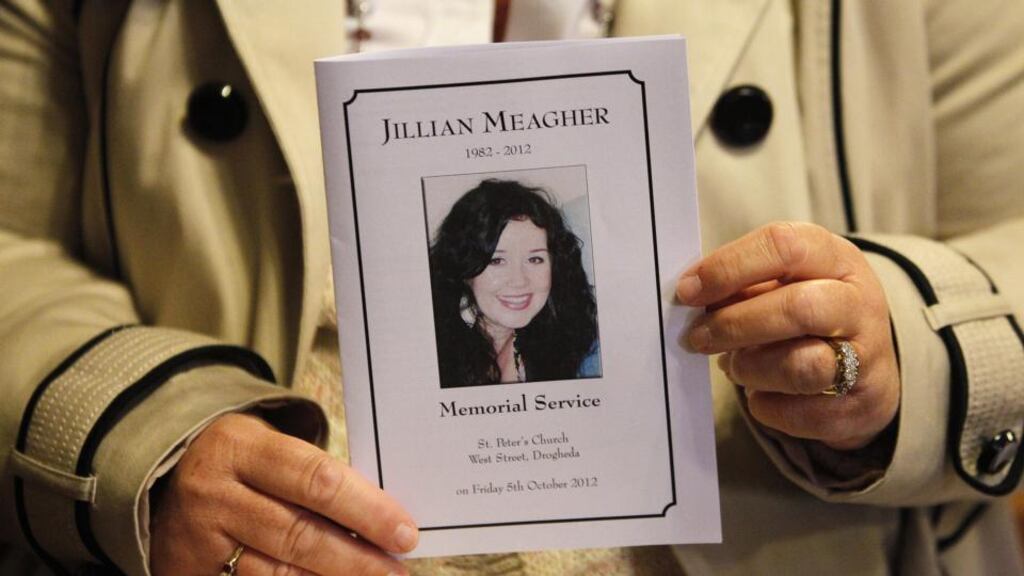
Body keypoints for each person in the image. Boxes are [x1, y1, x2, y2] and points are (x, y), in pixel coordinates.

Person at [0, 1, 1022, 575]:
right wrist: (148, 438)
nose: (520, 280)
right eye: (497, 259)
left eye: (538, 257)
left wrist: (900, 345)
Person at [428, 179, 600, 387]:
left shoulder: (580, 346)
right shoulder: (430, 351)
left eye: (534, 259)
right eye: (497, 260)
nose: (519, 280)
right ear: (465, 269)